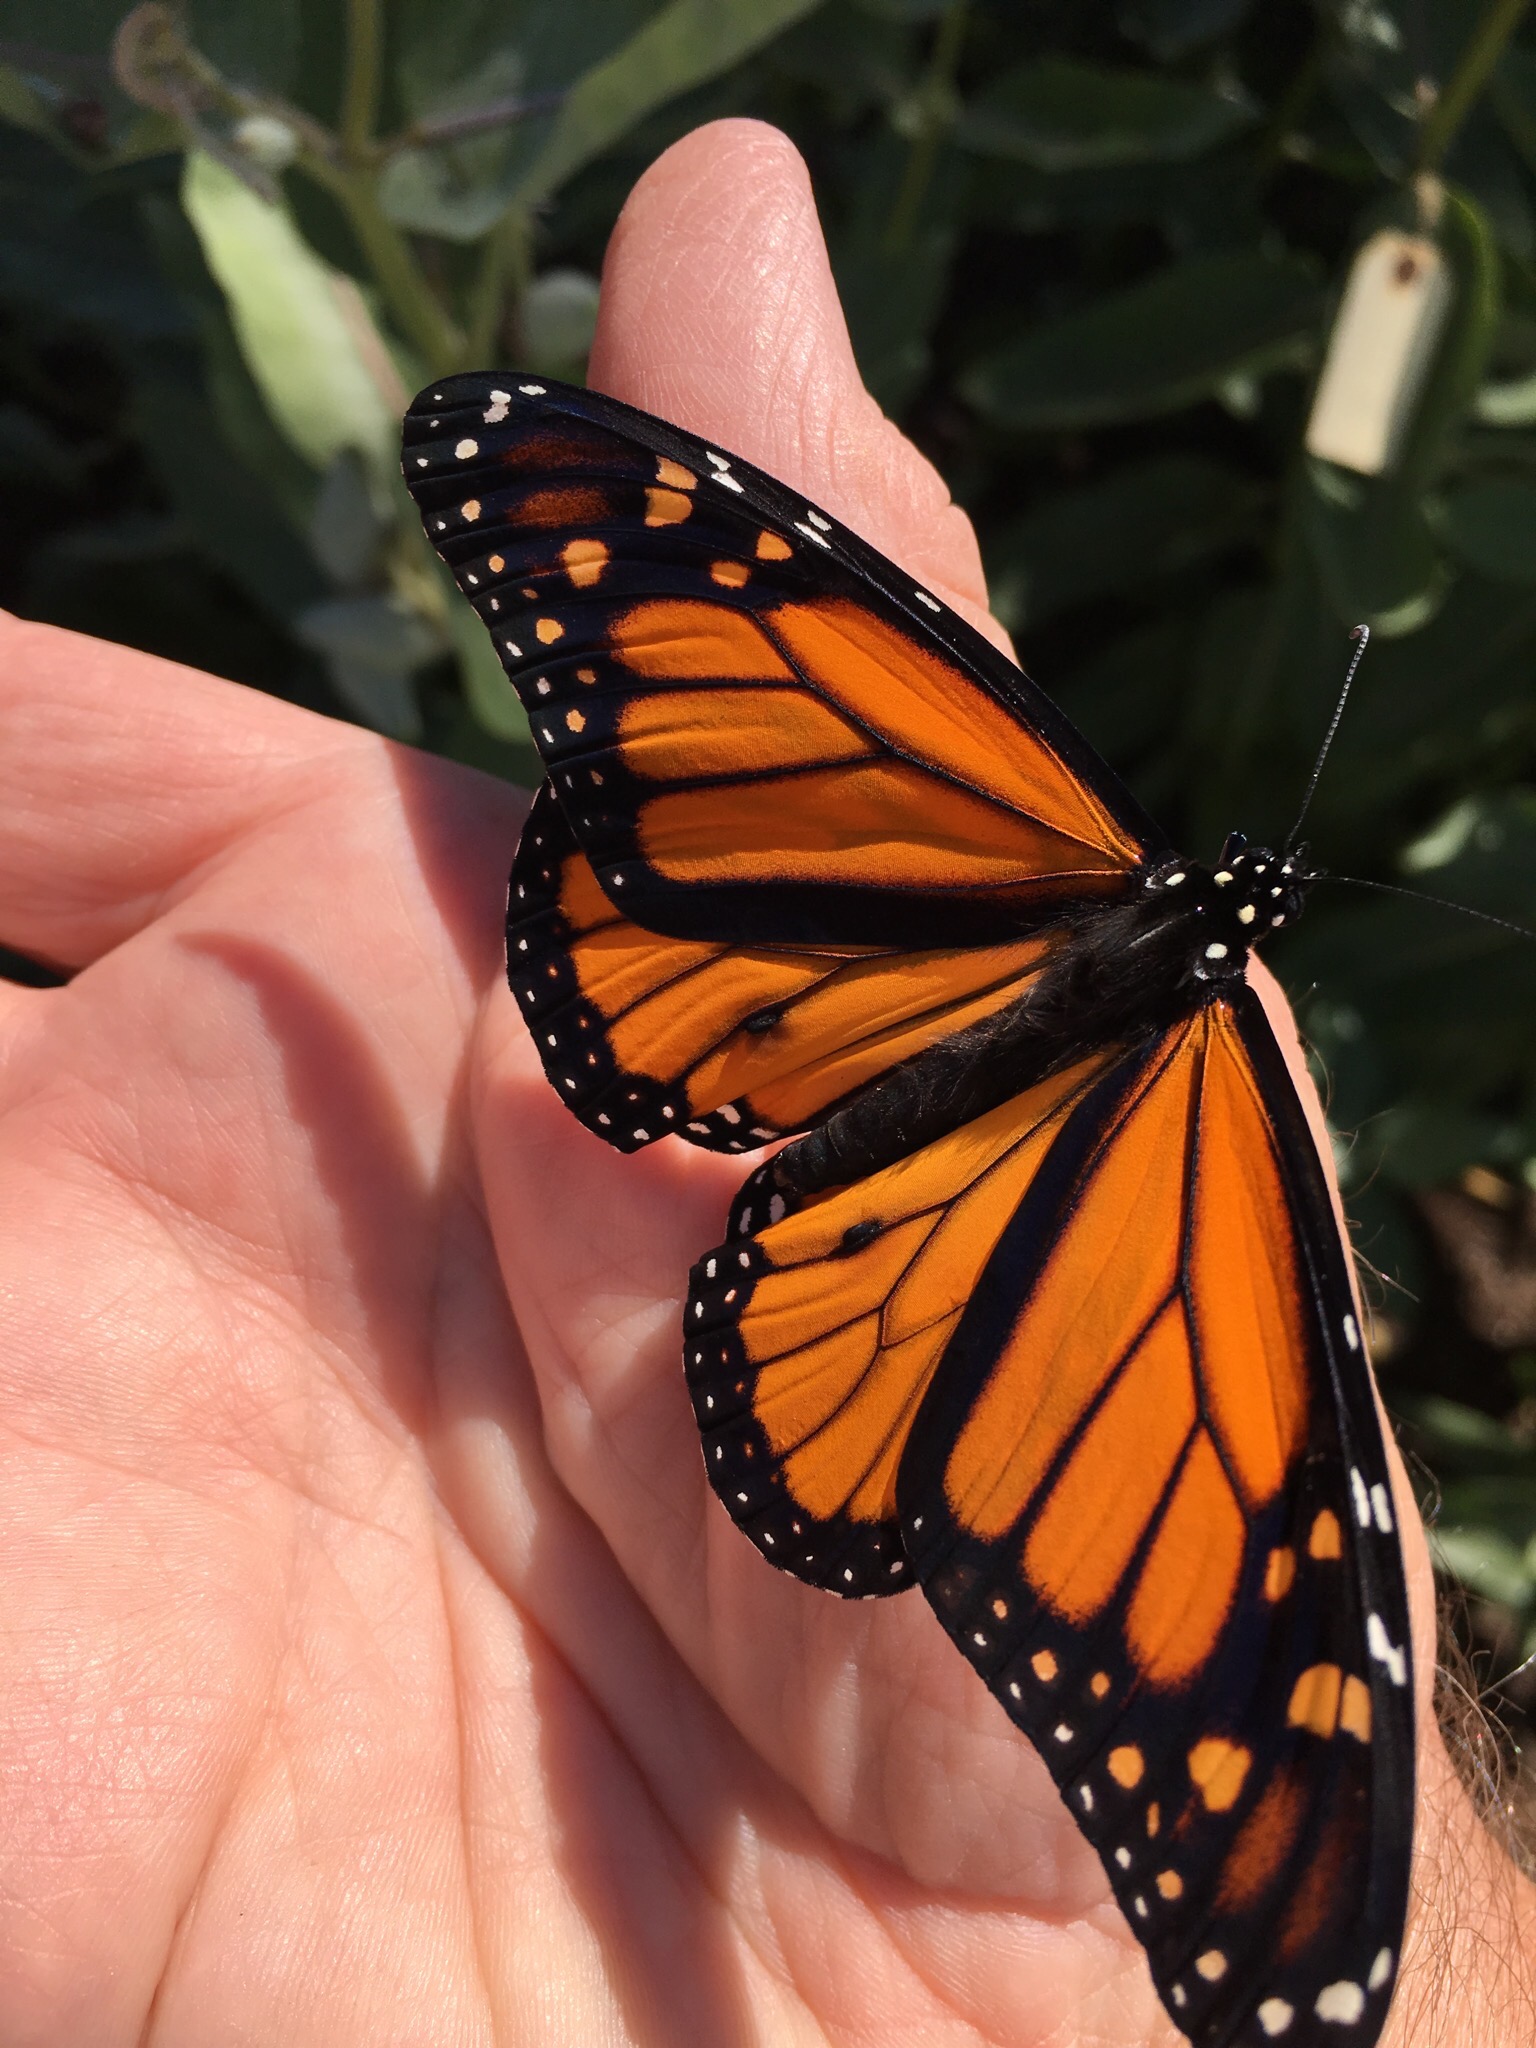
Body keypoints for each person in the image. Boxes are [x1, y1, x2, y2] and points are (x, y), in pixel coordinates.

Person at [0, 118, 1530, 2047]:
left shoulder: (1033, 820)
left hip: (785, 1039)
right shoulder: (1225, 1163)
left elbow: (1233, 1602)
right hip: (913, 1265)